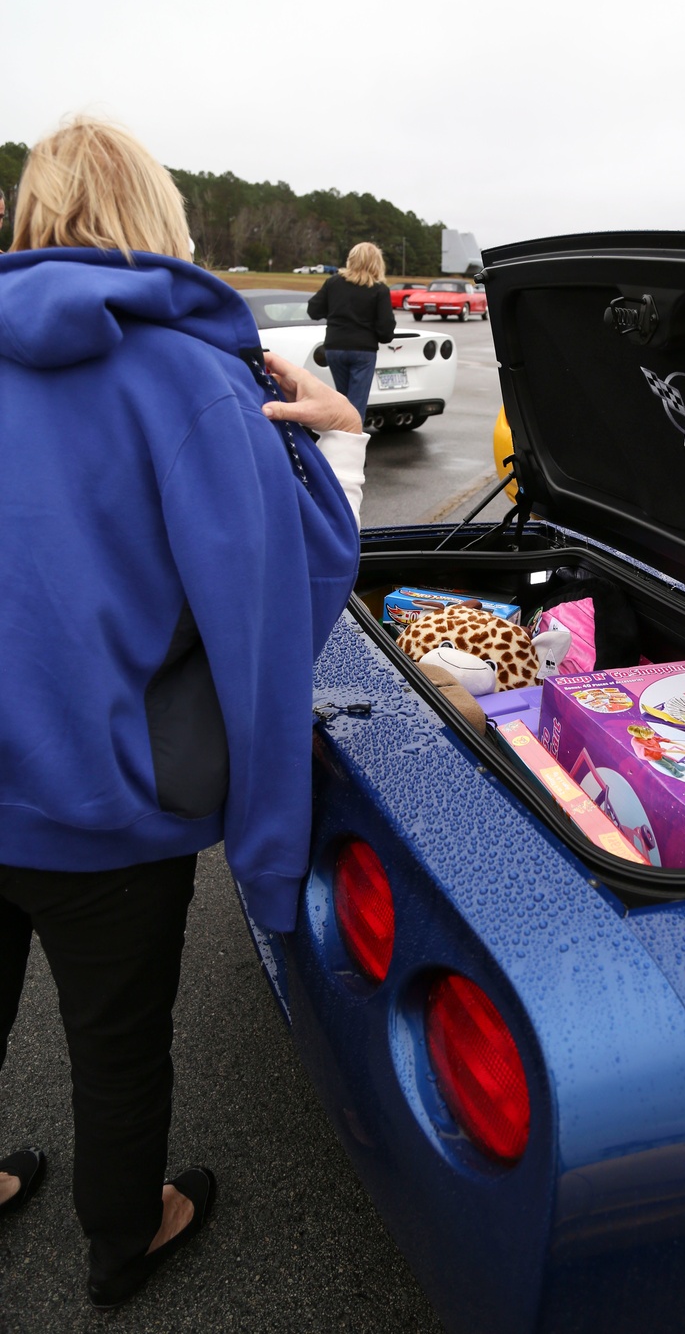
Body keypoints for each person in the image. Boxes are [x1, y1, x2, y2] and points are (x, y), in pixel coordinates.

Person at [0, 118, 368, 1310]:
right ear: (156, 218)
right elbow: (270, 611)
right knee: (113, 1042)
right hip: (111, 809)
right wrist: (334, 451)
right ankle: (123, 1238)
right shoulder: (194, 380)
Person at [307, 241, 396, 419]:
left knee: (343, 399)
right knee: (357, 405)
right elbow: (386, 331)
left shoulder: (333, 283)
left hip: (335, 347)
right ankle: (353, 441)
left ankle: (341, 439)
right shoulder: (379, 290)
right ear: (376, 263)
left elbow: (313, 310)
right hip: (363, 350)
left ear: (352, 260)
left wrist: (334, 313)